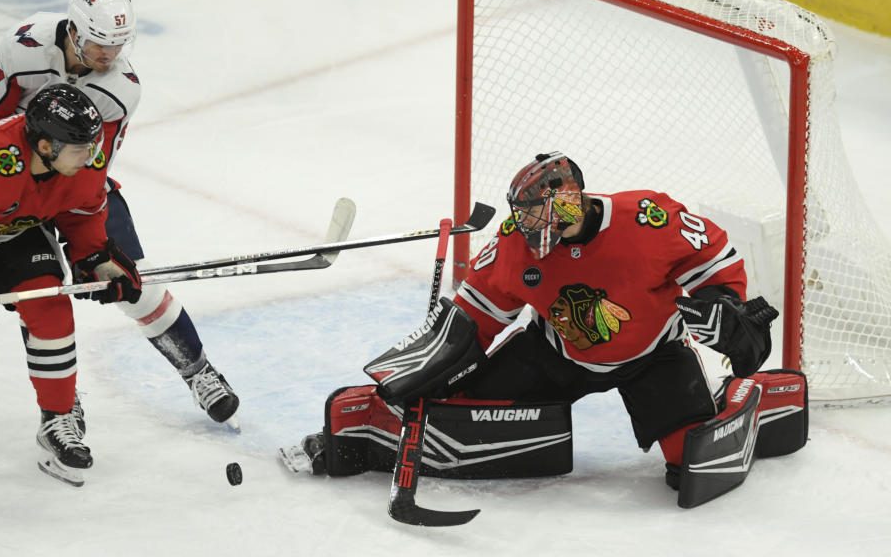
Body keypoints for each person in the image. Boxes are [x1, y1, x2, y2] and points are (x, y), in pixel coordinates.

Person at [280, 152, 808, 508]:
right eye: (522, 216)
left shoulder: (649, 218)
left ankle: (745, 398)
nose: (524, 227)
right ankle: (368, 428)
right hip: (556, 353)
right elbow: (474, 319)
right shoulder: (514, 242)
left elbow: (719, 266)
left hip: (655, 354)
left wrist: (726, 308)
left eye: (535, 216)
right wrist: (429, 367)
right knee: (459, 411)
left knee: (689, 466)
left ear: (568, 199)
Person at [0, 0, 239, 427]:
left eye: (119, 46)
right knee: (41, 296)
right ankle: (62, 399)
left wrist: (92, 250)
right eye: (99, 45)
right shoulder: (21, 47)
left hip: (74, 187)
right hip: (12, 187)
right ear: (72, 30)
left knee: (132, 281)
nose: (110, 56)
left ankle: (198, 371)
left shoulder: (121, 88)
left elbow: (93, 165)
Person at [0, 84, 143, 486]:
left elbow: (82, 216)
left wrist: (97, 261)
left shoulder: (82, 164)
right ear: (45, 146)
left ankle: (57, 419)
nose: (93, 157)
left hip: (12, 233)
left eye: (94, 145)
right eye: (81, 148)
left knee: (50, 313)